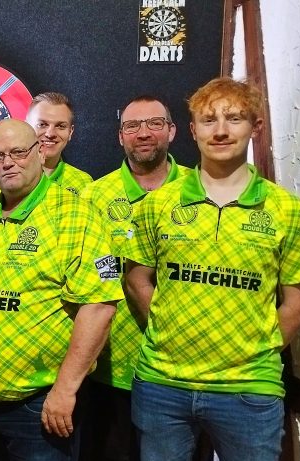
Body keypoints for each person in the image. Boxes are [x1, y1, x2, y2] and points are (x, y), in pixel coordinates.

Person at [122, 77, 300, 461]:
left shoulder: (287, 210)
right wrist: (166, 330)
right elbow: (137, 279)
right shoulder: (158, 204)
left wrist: (254, 350)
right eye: (209, 120)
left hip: (248, 389)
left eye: (234, 118)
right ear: (193, 130)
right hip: (163, 384)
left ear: (255, 127)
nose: (221, 131)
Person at [0, 118, 120, 460]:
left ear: (40, 152)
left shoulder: (75, 215)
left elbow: (100, 306)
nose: (7, 163)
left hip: (39, 405)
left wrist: (65, 390)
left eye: (18, 152)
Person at [76, 95, 190, 461]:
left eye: (155, 123)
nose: (143, 133)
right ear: (120, 136)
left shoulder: (199, 190)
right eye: (132, 126)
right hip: (113, 368)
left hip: (184, 368)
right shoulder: (94, 196)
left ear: (172, 131)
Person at [0, 92, 92, 201]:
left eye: (60, 126)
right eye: (42, 124)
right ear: (27, 126)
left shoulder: (82, 183)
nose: (50, 134)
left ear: (70, 132)